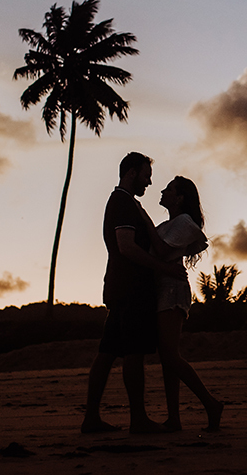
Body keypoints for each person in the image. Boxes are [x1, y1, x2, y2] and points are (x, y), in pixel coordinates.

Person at [81, 152, 185, 435]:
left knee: (108, 350)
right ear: (131, 173)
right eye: (145, 176)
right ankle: (138, 419)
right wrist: (163, 268)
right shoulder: (123, 203)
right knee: (134, 353)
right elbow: (126, 246)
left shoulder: (125, 203)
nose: (149, 183)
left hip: (119, 286)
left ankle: (91, 418)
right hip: (131, 288)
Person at [142, 175, 223, 432]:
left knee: (170, 355)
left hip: (172, 290)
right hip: (161, 289)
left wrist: (144, 221)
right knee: (168, 357)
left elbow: (164, 252)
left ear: (179, 198)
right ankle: (174, 418)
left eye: (169, 189)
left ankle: (210, 403)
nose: (163, 191)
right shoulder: (168, 224)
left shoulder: (184, 222)